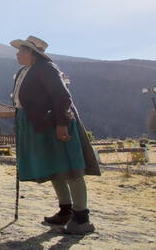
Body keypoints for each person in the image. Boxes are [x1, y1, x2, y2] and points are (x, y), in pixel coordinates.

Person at [10, 36, 101, 234]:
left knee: (69, 167)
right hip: (36, 123)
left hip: (55, 122)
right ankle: (65, 210)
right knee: (54, 166)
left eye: (21, 50)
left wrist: (62, 124)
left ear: (32, 53)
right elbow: (20, 102)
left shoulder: (46, 68)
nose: (17, 53)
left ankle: (81, 218)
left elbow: (62, 97)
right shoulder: (23, 72)